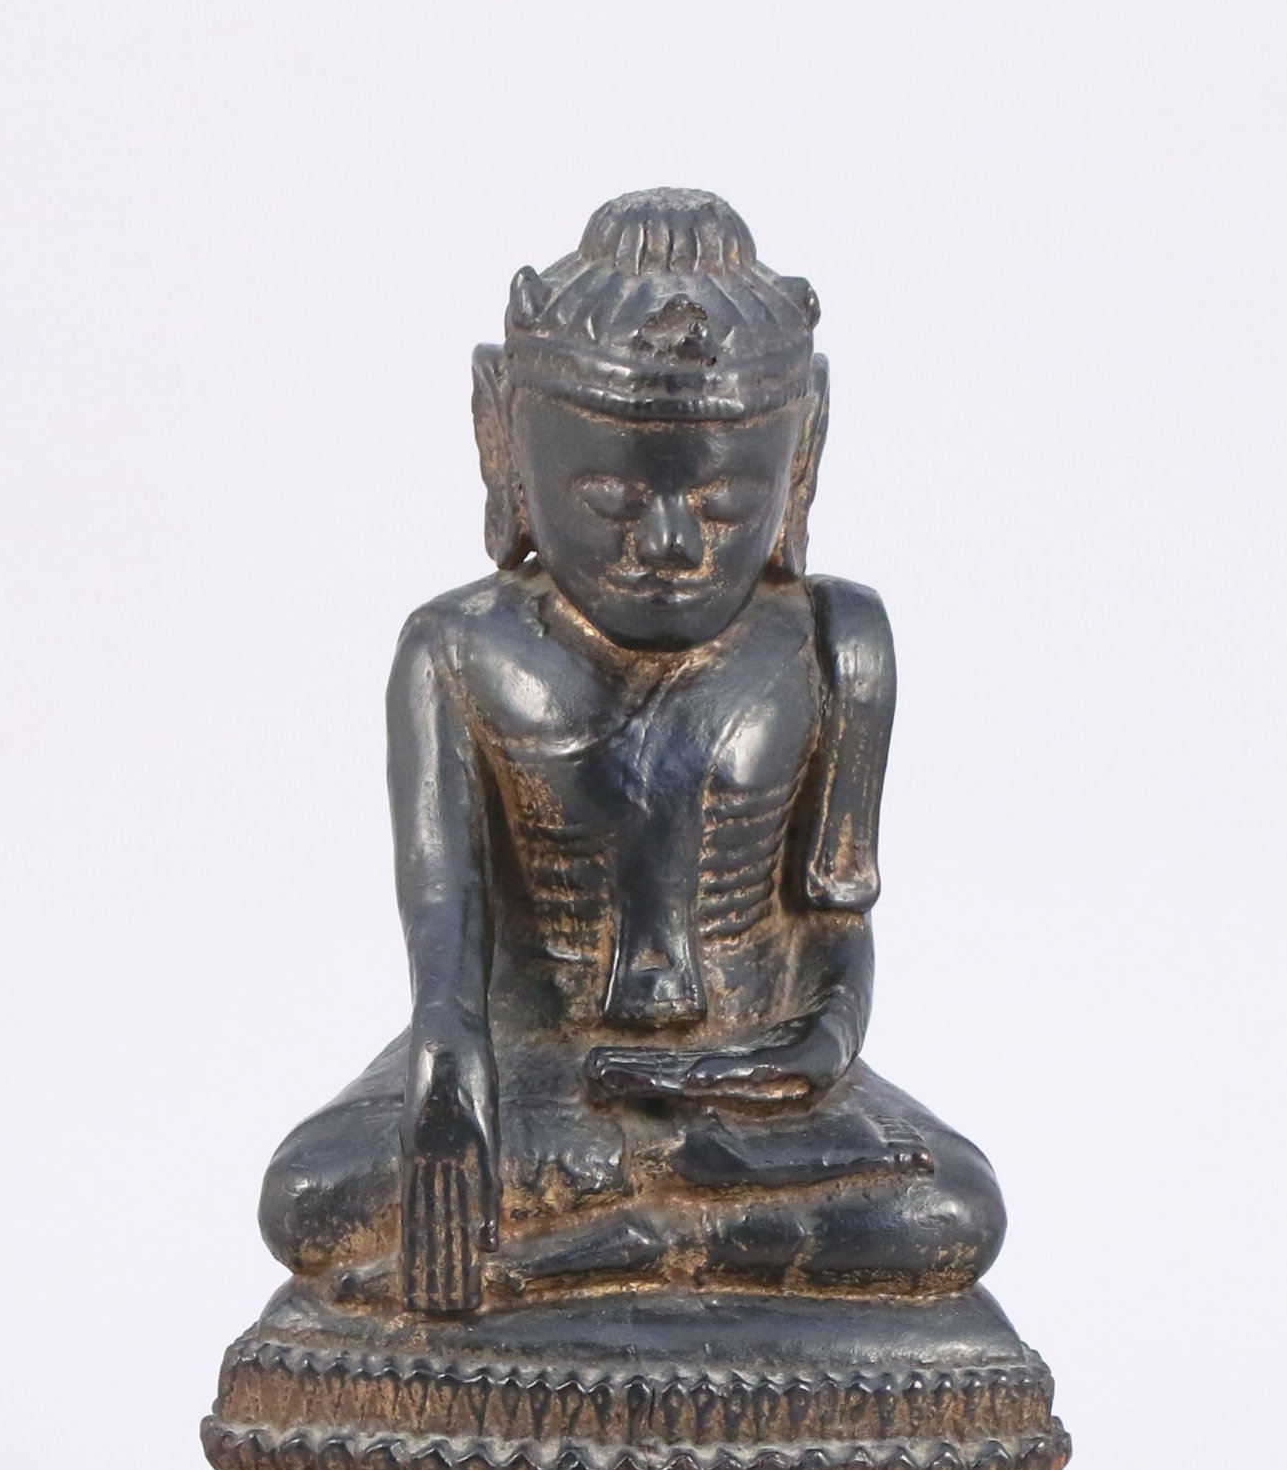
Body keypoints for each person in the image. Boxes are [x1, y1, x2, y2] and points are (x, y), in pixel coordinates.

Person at [258, 189, 1005, 1320]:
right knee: (314, 1196)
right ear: (506, 444)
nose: (667, 542)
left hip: (747, 1087)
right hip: (535, 1076)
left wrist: (810, 1055)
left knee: (952, 1210)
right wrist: (449, 1080)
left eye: (724, 499)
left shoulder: (835, 642)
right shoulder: (458, 650)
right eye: (609, 495)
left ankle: (601, 1241)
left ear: (800, 459)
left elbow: (835, 925)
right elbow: (447, 953)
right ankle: (684, 1214)